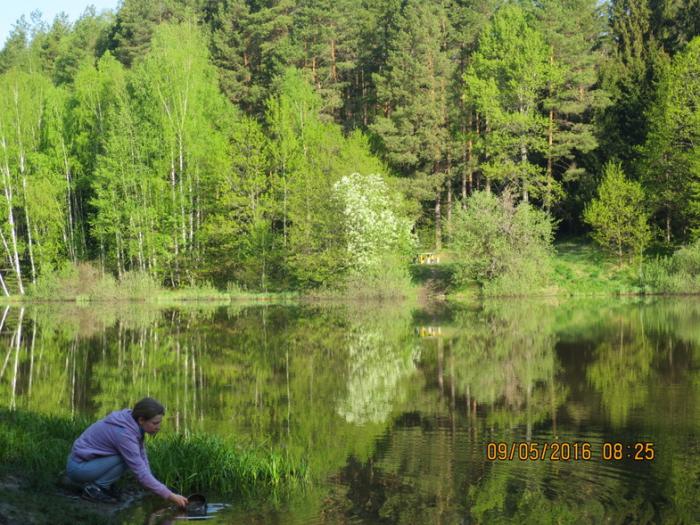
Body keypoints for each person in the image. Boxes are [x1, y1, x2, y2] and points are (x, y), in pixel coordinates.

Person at [66, 397, 188, 507]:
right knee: (125, 458)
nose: (159, 427)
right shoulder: (124, 434)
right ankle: (95, 489)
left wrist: (151, 481)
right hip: (78, 468)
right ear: (141, 420)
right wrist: (170, 496)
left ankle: (102, 485)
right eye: (155, 423)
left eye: (160, 422)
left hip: (88, 462)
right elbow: (140, 472)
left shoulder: (131, 422)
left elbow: (142, 456)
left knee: (129, 457)